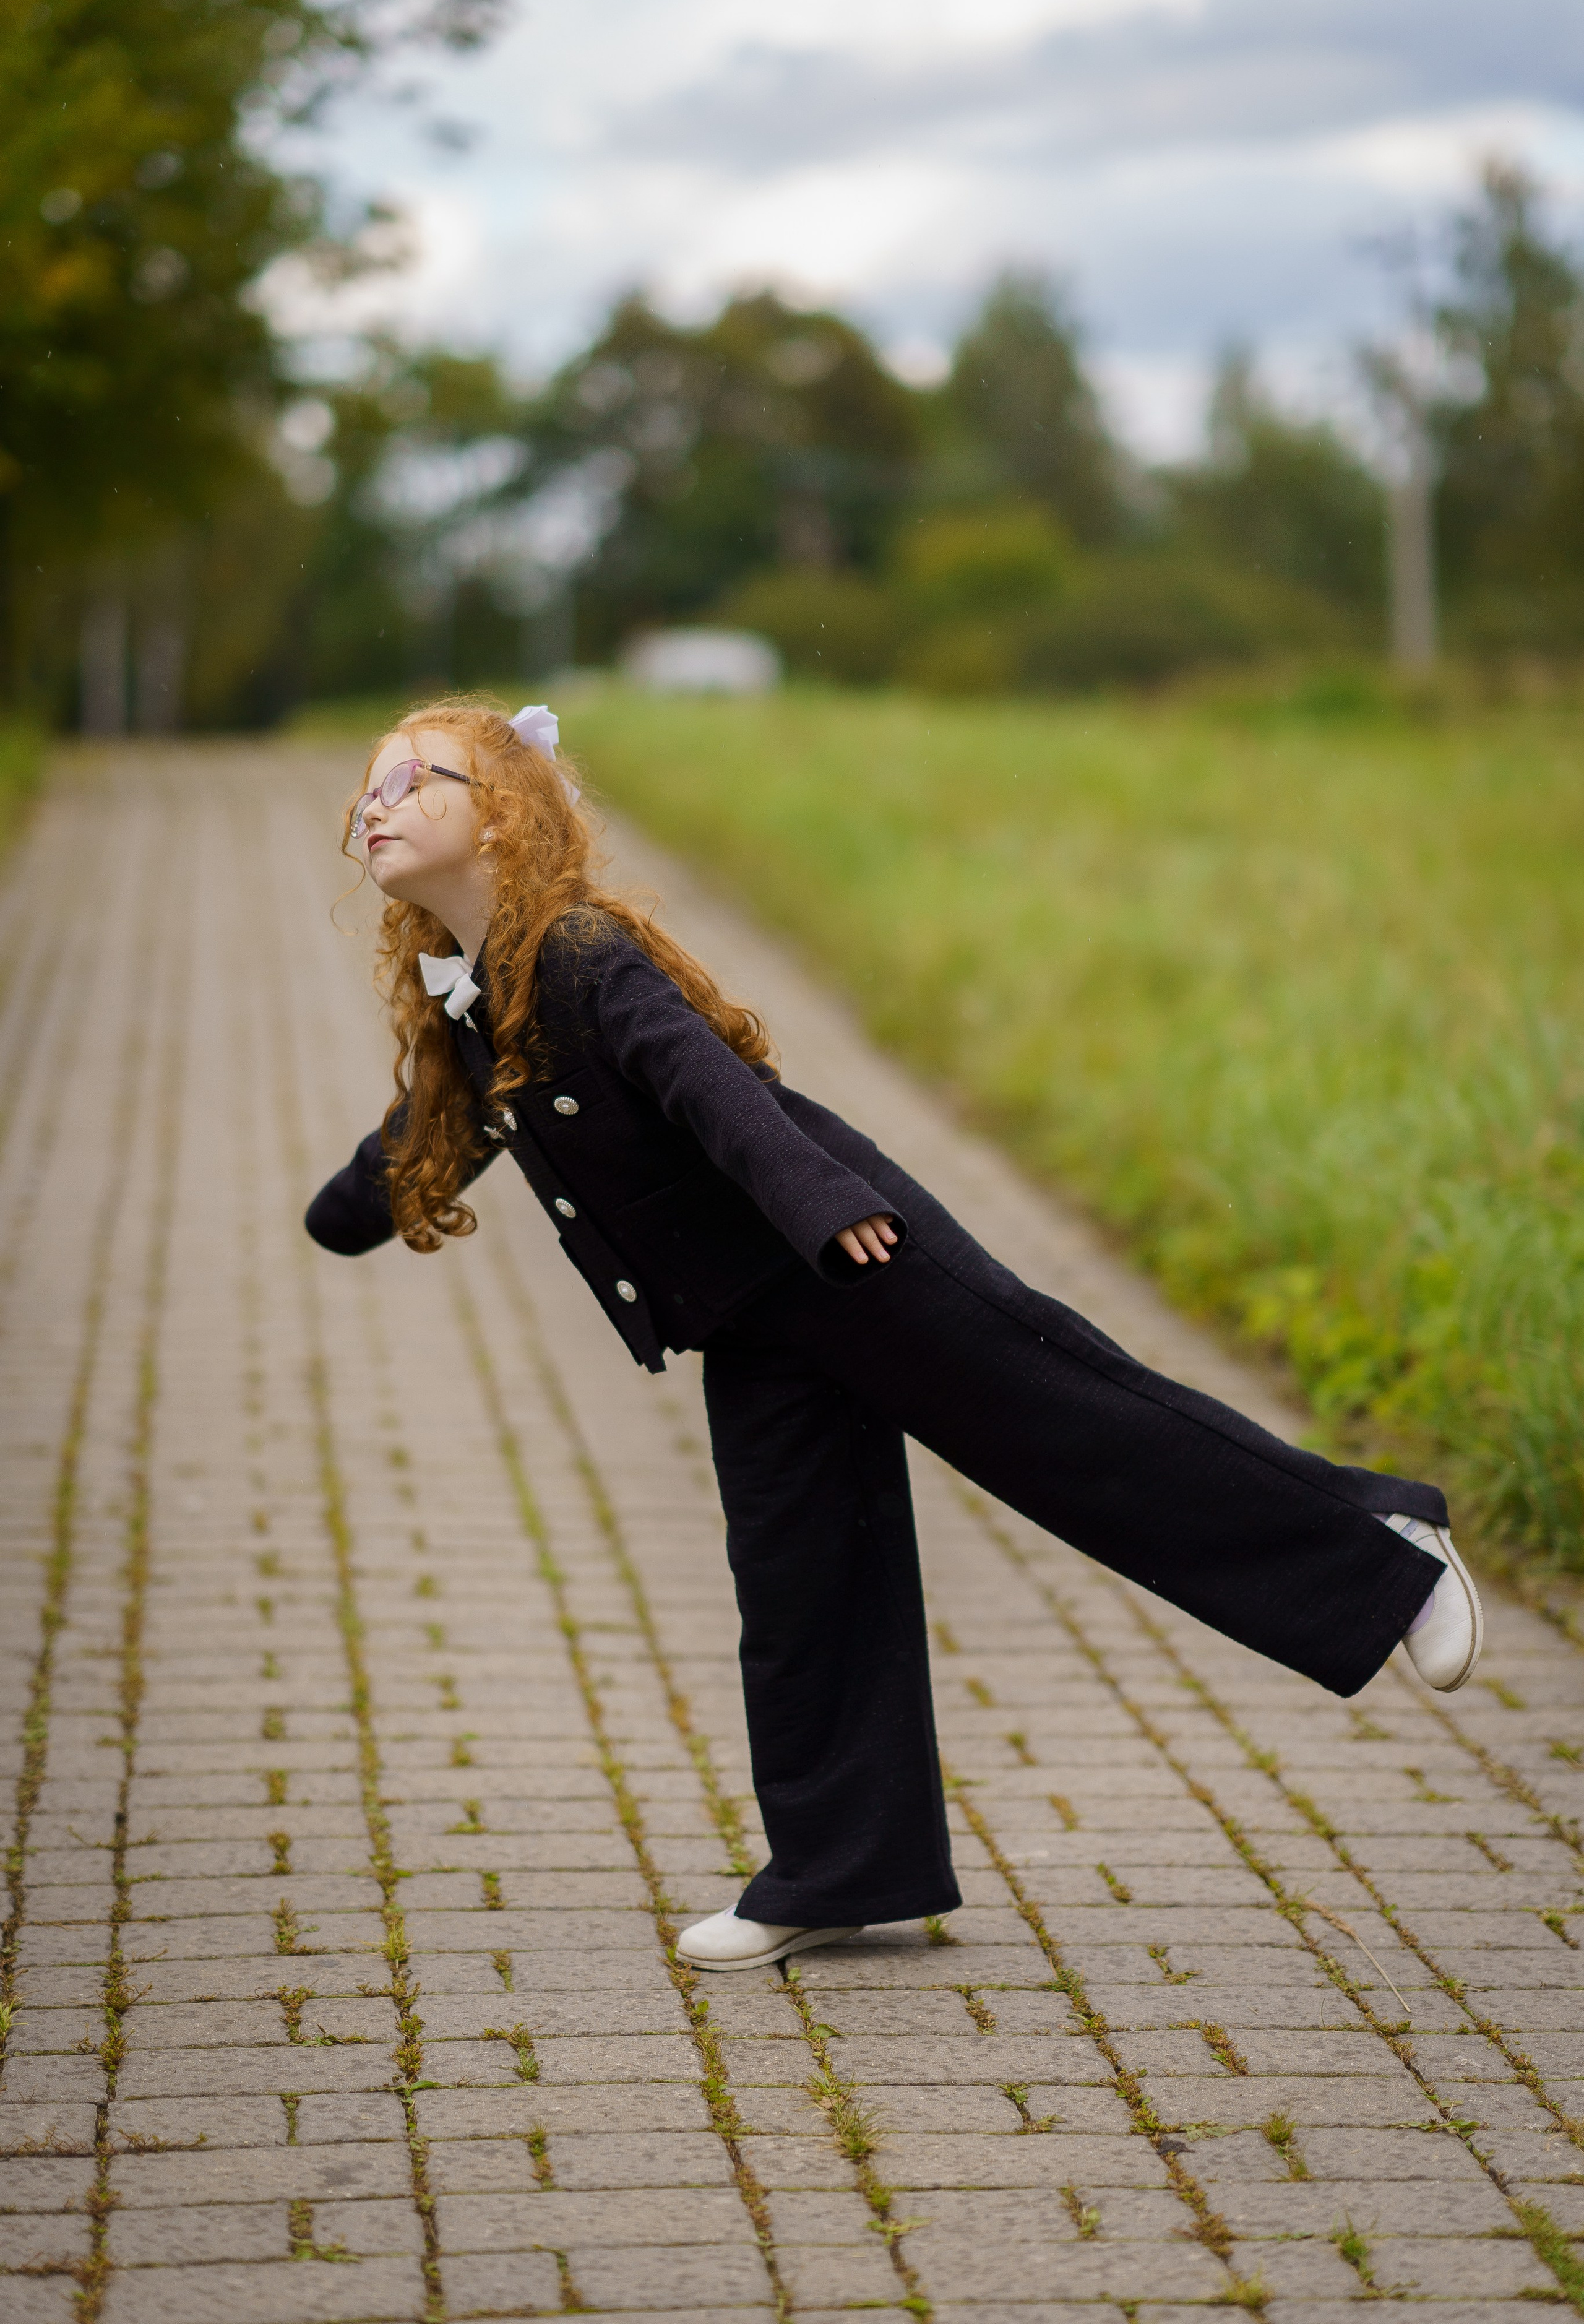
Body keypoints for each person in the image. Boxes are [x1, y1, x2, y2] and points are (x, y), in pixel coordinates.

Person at [306, 698, 1484, 1974]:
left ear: (502, 816)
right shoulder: (479, 1001)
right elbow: (431, 1133)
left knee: (1069, 1429)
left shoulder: (585, 955)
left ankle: (1382, 1553)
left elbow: (712, 1091)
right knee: (801, 1580)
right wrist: (335, 1221)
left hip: (849, 1256)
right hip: (750, 1322)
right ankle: (838, 1869)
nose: (376, 802)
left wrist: (826, 1208)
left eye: (411, 779)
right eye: (368, 788)